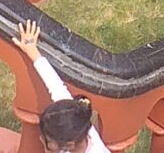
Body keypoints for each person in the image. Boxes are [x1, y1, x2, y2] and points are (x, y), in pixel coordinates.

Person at [15, 20, 106, 153]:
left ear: (68, 146)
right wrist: (32, 51)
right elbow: (56, 86)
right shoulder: (78, 129)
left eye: (49, 142)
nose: (41, 139)